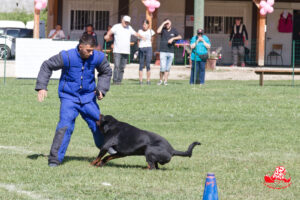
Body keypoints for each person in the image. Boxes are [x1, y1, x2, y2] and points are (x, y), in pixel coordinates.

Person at [35, 34, 113, 167]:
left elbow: (106, 71)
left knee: (98, 124)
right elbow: (47, 65)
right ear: (80, 47)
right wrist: (42, 86)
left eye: (93, 50)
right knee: (65, 126)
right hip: (69, 98)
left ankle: (107, 149)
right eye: (88, 50)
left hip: (88, 98)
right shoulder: (67, 56)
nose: (91, 53)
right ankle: (55, 160)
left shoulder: (98, 57)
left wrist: (101, 89)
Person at [104, 15, 144, 84]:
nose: (126, 23)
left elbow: (135, 33)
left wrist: (142, 36)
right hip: (117, 50)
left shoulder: (129, 28)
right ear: (122, 21)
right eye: (125, 22)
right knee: (116, 66)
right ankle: (115, 81)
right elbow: (110, 32)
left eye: (128, 22)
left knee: (122, 67)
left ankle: (119, 81)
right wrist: (107, 35)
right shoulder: (116, 26)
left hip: (126, 51)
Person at [157, 19, 182, 85]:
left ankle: (165, 81)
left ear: (170, 23)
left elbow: (180, 37)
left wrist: (173, 38)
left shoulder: (174, 30)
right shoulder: (163, 29)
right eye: (166, 24)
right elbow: (158, 31)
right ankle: (160, 80)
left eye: (168, 23)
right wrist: (163, 23)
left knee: (167, 68)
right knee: (162, 68)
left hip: (171, 52)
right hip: (163, 51)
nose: (167, 25)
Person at [137, 20, 155, 85]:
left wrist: (149, 45)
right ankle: (140, 81)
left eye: (145, 24)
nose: (144, 26)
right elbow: (138, 40)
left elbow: (152, 39)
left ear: (148, 25)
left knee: (148, 64)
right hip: (141, 48)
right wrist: (139, 47)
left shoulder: (151, 31)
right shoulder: (139, 31)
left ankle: (148, 80)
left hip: (148, 48)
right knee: (141, 65)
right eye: (143, 24)